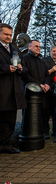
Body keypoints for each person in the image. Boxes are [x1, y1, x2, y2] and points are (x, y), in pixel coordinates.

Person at [0, 23, 26, 154]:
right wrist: (5, 68)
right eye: (5, 34)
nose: (8, 37)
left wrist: (21, 69)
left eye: (10, 35)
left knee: (10, 120)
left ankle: (6, 145)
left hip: (14, 91)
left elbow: (25, 68)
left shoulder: (16, 50)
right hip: (2, 90)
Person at [23, 40, 51, 140]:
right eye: (36, 46)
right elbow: (25, 75)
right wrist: (39, 84)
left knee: (44, 114)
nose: (39, 48)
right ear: (29, 47)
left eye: (39, 46)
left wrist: (47, 84)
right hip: (31, 93)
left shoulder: (42, 61)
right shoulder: (25, 59)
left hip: (43, 92)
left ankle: (45, 132)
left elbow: (47, 75)